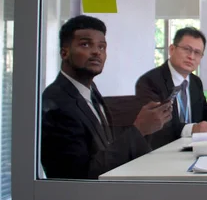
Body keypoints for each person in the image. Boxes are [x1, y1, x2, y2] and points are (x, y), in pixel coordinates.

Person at [41, 15, 172, 179]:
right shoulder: (57, 101)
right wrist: (139, 129)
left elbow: (104, 149)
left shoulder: (91, 91)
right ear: (64, 52)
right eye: (85, 44)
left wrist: (145, 129)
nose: (97, 52)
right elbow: (80, 175)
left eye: (102, 47)